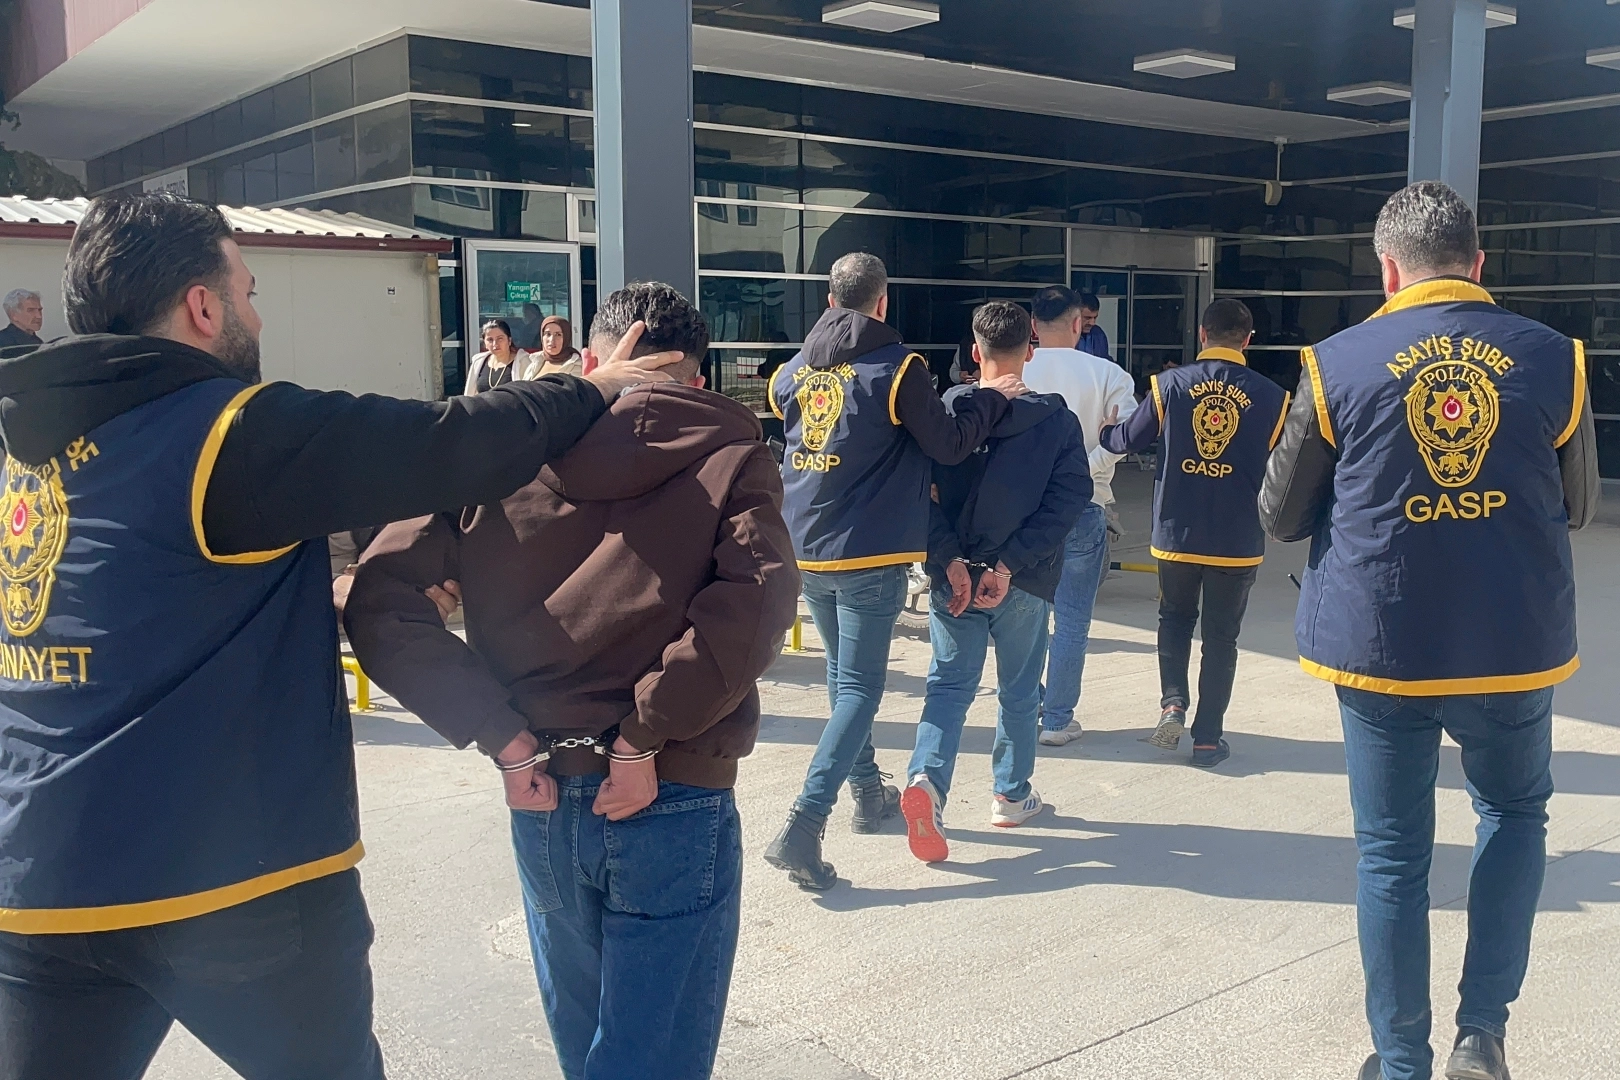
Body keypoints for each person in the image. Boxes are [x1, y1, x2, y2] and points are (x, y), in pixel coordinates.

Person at [0, 192, 676, 1080]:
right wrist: (591, 387)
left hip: (38, 883)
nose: (255, 314)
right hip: (226, 880)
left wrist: (301, 598)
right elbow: (446, 444)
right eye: (246, 292)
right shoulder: (226, 431)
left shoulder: (31, 448)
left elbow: (124, 599)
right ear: (201, 306)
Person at [343, 281, 797, 1080]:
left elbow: (379, 601)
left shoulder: (504, 450)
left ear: (592, 358)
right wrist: (644, 734)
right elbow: (758, 601)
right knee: (653, 1059)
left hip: (544, 783)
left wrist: (501, 736)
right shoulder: (731, 450)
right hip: (675, 786)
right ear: (696, 375)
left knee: (590, 1052)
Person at [1260, 181, 1601, 1080]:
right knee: (1514, 813)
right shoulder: (1555, 358)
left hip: (1383, 643)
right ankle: (1481, 1033)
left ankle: (1402, 1060)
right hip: (1512, 642)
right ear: (1478, 263)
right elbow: (1576, 506)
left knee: (1391, 854)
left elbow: (1281, 516)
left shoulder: (1334, 364)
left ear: (1388, 270)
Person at [761, 251, 1027, 891]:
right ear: (883, 303)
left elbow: (787, 424)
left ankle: (866, 794)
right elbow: (950, 444)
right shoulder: (898, 368)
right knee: (858, 689)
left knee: (841, 679)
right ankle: (804, 823)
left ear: (831, 301)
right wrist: (988, 399)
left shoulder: (794, 370)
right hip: (868, 551)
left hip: (806, 546)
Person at [899, 301, 1090, 863]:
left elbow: (917, 493)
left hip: (953, 577)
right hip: (1022, 579)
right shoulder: (1056, 421)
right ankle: (1010, 794)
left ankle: (927, 782)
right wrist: (1007, 566)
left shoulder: (947, 413)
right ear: (1031, 349)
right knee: (1020, 690)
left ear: (974, 350)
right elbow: (1068, 501)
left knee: (948, 686)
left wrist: (949, 560)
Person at [1098, 298, 1288, 768]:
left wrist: (1105, 431)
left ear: (1202, 334)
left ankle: (1172, 703)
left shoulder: (1169, 386)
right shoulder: (1273, 397)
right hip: (1237, 538)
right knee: (1222, 638)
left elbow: (1127, 440)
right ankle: (1207, 739)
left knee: (1175, 618)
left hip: (1176, 532)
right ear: (1248, 340)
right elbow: (1285, 468)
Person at [1020, 285, 1138, 746]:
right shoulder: (1109, 375)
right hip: (1085, 506)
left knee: (1025, 618)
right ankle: (1057, 720)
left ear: (1033, 325)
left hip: (1025, 510)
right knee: (1071, 621)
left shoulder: (1016, 370)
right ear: (1078, 323)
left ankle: (1026, 706)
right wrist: (1089, 466)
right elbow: (1124, 437)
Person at [463, 318, 540, 394]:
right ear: (485, 343)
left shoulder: (524, 362)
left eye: (500, 339)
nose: (495, 344)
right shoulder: (479, 362)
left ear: (509, 341)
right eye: (490, 340)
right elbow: (470, 394)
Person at [1076, 292, 1110, 358]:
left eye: (1095, 318)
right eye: (1087, 318)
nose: (1092, 323)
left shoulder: (1098, 333)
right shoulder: (1065, 335)